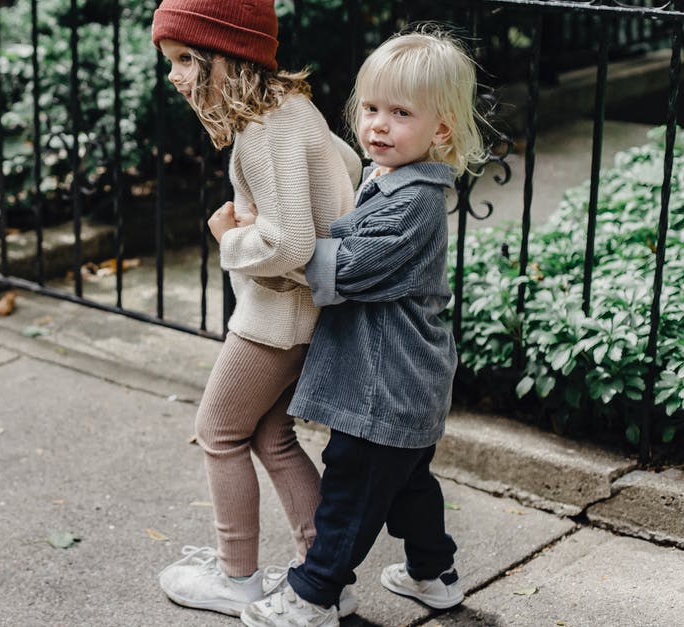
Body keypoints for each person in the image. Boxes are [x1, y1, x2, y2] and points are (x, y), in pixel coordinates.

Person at [237, 26, 486, 627]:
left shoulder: (415, 203)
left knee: (349, 494)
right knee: (407, 488)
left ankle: (314, 592)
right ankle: (435, 573)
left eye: (400, 113)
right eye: (371, 108)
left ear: (441, 130)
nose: (378, 124)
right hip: (410, 386)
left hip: (386, 388)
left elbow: (339, 267)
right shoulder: (389, 179)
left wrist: (244, 238)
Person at [150, 0, 362, 618]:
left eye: (186, 59)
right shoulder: (295, 110)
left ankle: (236, 575)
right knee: (272, 437)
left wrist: (229, 240)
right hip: (304, 311)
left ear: (231, 55)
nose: (176, 76)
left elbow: (290, 241)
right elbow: (345, 163)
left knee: (218, 432)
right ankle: (326, 576)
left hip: (277, 315)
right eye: (172, 61)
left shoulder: (264, 131)